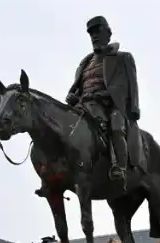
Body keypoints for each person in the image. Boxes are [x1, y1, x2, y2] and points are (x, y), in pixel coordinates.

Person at [57, 16, 144, 193]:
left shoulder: (123, 58)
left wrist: (132, 108)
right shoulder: (85, 64)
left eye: (98, 32)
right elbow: (77, 88)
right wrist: (71, 96)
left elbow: (128, 86)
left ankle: (118, 166)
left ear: (108, 34)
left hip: (110, 106)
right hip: (83, 106)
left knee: (115, 124)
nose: (95, 36)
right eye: (92, 33)